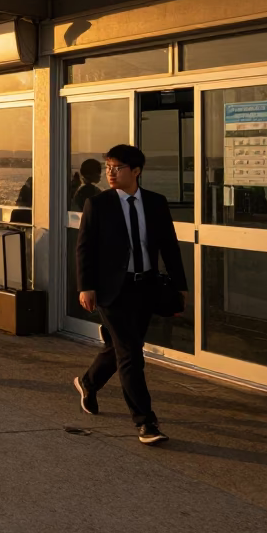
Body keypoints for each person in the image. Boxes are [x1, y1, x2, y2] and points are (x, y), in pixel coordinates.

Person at [74, 144, 187, 445]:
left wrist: (180, 285)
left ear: (136, 171)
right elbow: (84, 248)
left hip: (145, 287)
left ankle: (88, 381)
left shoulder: (155, 203)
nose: (110, 172)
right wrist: (86, 286)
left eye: (117, 167)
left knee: (126, 348)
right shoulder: (98, 204)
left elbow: (169, 246)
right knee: (131, 356)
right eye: (107, 166)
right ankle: (145, 422)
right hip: (113, 290)